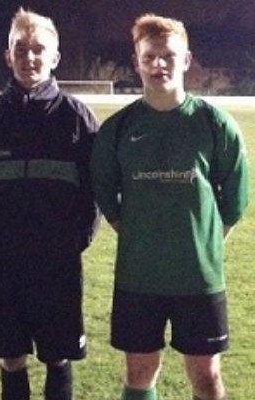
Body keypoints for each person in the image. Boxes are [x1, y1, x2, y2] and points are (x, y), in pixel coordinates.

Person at [90, 13, 249, 400]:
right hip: (138, 277)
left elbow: (235, 196)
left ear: (186, 60)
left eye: (168, 56)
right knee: (140, 372)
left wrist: (207, 242)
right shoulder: (119, 128)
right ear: (137, 62)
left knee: (207, 376)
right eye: (149, 57)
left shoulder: (214, 123)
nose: (158, 64)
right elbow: (104, 189)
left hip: (198, 278)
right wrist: (128, 227)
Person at [0, 7, 99, 400]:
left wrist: (75, 241)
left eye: (38, 49)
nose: (29, 57)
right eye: (20, 49)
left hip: (58, 264)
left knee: (58, 356)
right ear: (8, 56)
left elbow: (95, 192)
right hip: (4, 261)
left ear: (54, 57)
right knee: (10, 358)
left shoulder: (76, 118)